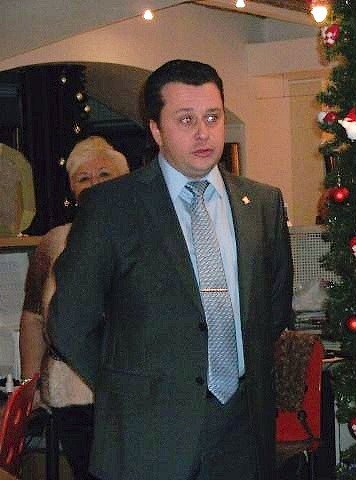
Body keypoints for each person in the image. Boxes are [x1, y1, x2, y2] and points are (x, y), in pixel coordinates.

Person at [48, 59, 293, 480]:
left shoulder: (261, 204)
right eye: (186, 120)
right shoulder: (112, 207)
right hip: (146, 438)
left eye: (212, 117)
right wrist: (127, 386)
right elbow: (69, 320)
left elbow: (271, 309)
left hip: (241, 433)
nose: (203, 132)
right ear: (157, 130)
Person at [19, 136, 129, 480]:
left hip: (132, 394)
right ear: (72, 189)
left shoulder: (146, 237)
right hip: (71, 395)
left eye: (104, 175)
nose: (94, 184)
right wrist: (31, 389)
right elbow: (33, 319)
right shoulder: (53, 242)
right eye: (83, 178)